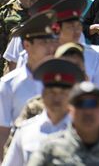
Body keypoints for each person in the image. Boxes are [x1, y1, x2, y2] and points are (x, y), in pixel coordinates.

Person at [28, 81, 99, 165]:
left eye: (93, 104)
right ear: (70, 110)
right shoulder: (50, 150)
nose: (88, 111)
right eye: (80, 104)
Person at [2, 58, 85, 166]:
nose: (56, 97)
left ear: (71, 95)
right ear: (43, 94)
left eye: (62, 93)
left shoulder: (86, 132)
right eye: (51, 92)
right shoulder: (26, 131)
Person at [0, 11, 59, 155]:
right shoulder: (9, 84)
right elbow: (2, 131)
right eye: (44, 42)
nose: (50, 48)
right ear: (27, 45)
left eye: (52, 41)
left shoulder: (64, 80)